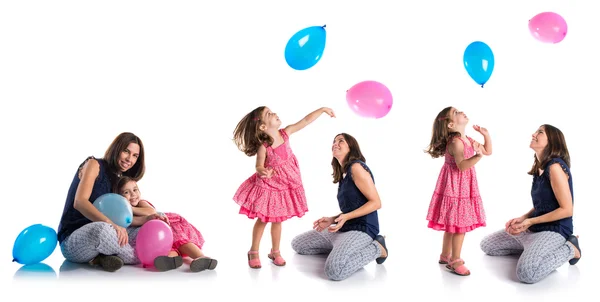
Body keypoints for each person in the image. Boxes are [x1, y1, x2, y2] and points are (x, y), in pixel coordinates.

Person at [232, 106, 335, 268]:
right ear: (263, 127)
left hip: (286, 184)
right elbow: (258, 165)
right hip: (270, 186)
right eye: (269, 114)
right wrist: (262, 171)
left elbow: (306, 121)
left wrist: (321, 110)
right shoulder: (264, 147)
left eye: (271, 111)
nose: (274, 113)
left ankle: (275, 251)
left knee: (278, 220)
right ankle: (253, 250)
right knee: (263, 220)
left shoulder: (286, 133)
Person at [480, 124, 581, 284]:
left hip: (555, 230)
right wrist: (523, 218)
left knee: (527, 273)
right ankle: (534, 249)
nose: (534, 134)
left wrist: (530, 222)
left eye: (540, 132)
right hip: (534, 228)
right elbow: (544, 204)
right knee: (488, 246)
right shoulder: (540, 168)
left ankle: (571, 249)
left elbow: (567, 210)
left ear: (552, 141)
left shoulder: (555, 167)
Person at [291, 133, 388, 281]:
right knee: (299, 245)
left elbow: (376, 203)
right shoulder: (344, 174)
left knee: (335, 271)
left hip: (362, 229)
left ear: (351, 147)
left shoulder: (356, 167)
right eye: (334, 141)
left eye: (341, 141)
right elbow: (352, 209)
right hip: (344, 227)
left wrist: (345, 217)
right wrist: (332, 219)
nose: (335, 143)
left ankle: (378, 248)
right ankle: (342, 249)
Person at [57, 132, 147, 272]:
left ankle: (103, 258)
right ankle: (142, 256)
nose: (130, 159)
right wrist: (112, 225)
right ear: (117, 149)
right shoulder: (94, 164)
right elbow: (80, 202)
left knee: (144, 229)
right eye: (126, 151)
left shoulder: (120, 179)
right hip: (73, 239)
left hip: (108, 234)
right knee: (103, 231)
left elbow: (125, 219)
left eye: (135, 156)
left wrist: (150, 219)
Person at [424, 106, 492, 276]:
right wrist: (476, 157)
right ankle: (455, 260)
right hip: (455, 186)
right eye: (456, 113)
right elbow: (461, 166)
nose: (461, 112)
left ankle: (445, 255)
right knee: (459, 224)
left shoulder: (467, 138)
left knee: (451, 222)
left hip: (463, 185)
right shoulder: (455, 143)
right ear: (450, 125)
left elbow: (488, 151)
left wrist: (486, 135)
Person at [116, 176, 218, 272]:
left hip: (169, 223)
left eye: (135, 190)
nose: (133, 194)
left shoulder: (141, 203)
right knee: (168, 247)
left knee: (179, 241)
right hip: (159, 234)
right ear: (119, 197)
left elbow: (151, 212)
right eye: (126, 192)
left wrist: (129, 207)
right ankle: (172, 260)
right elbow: (129, 222)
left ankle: (201, 257)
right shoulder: (122, 214)